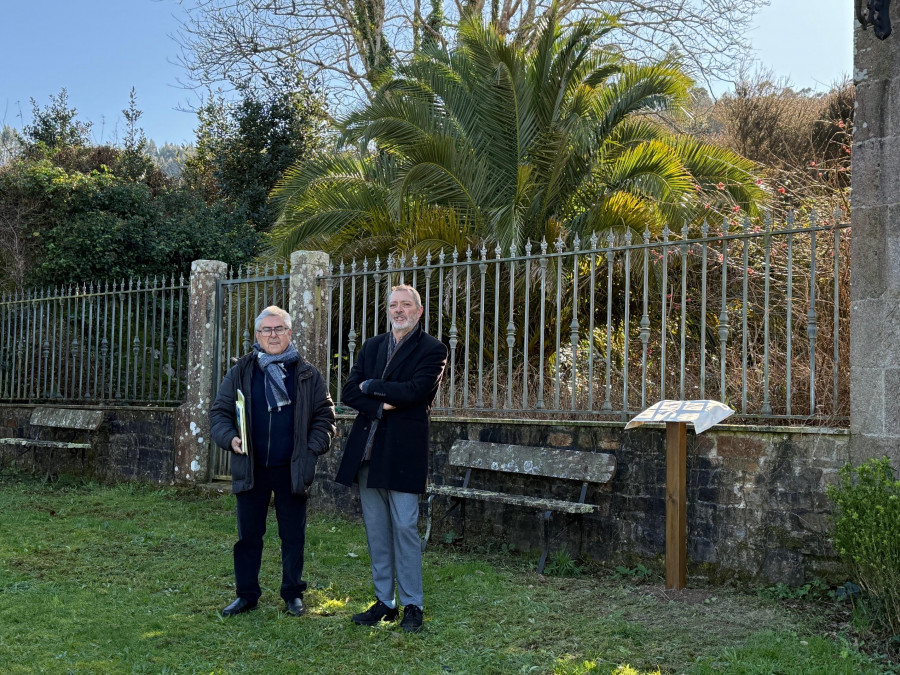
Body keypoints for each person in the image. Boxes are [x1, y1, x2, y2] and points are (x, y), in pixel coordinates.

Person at [336, 284, 448, 633]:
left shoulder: (433, 349)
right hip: (367, 452)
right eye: (393, 305)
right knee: (377, 532)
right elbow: (349, 391)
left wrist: (372, 388)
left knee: (404, 528)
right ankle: (385, 602)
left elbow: (417, 391)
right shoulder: (371, 346)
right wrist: (382, 401)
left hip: (402, 452)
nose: (399, 310)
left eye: (406, 305)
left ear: (419, 310)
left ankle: (413, 604)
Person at [210, 305, 335, 617]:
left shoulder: (307, 373)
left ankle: (293, 593)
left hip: (291, 468)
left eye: (279, 329)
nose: (273, 335)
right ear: (257, 336)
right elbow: (219, 413)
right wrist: (230, 438)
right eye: (266, 330)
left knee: (292, 536)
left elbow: (326, 416)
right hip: (251, 467)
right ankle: (246, 595)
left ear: (290, 333)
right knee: (248, 537)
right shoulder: (241, 370)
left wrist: (311, 449)